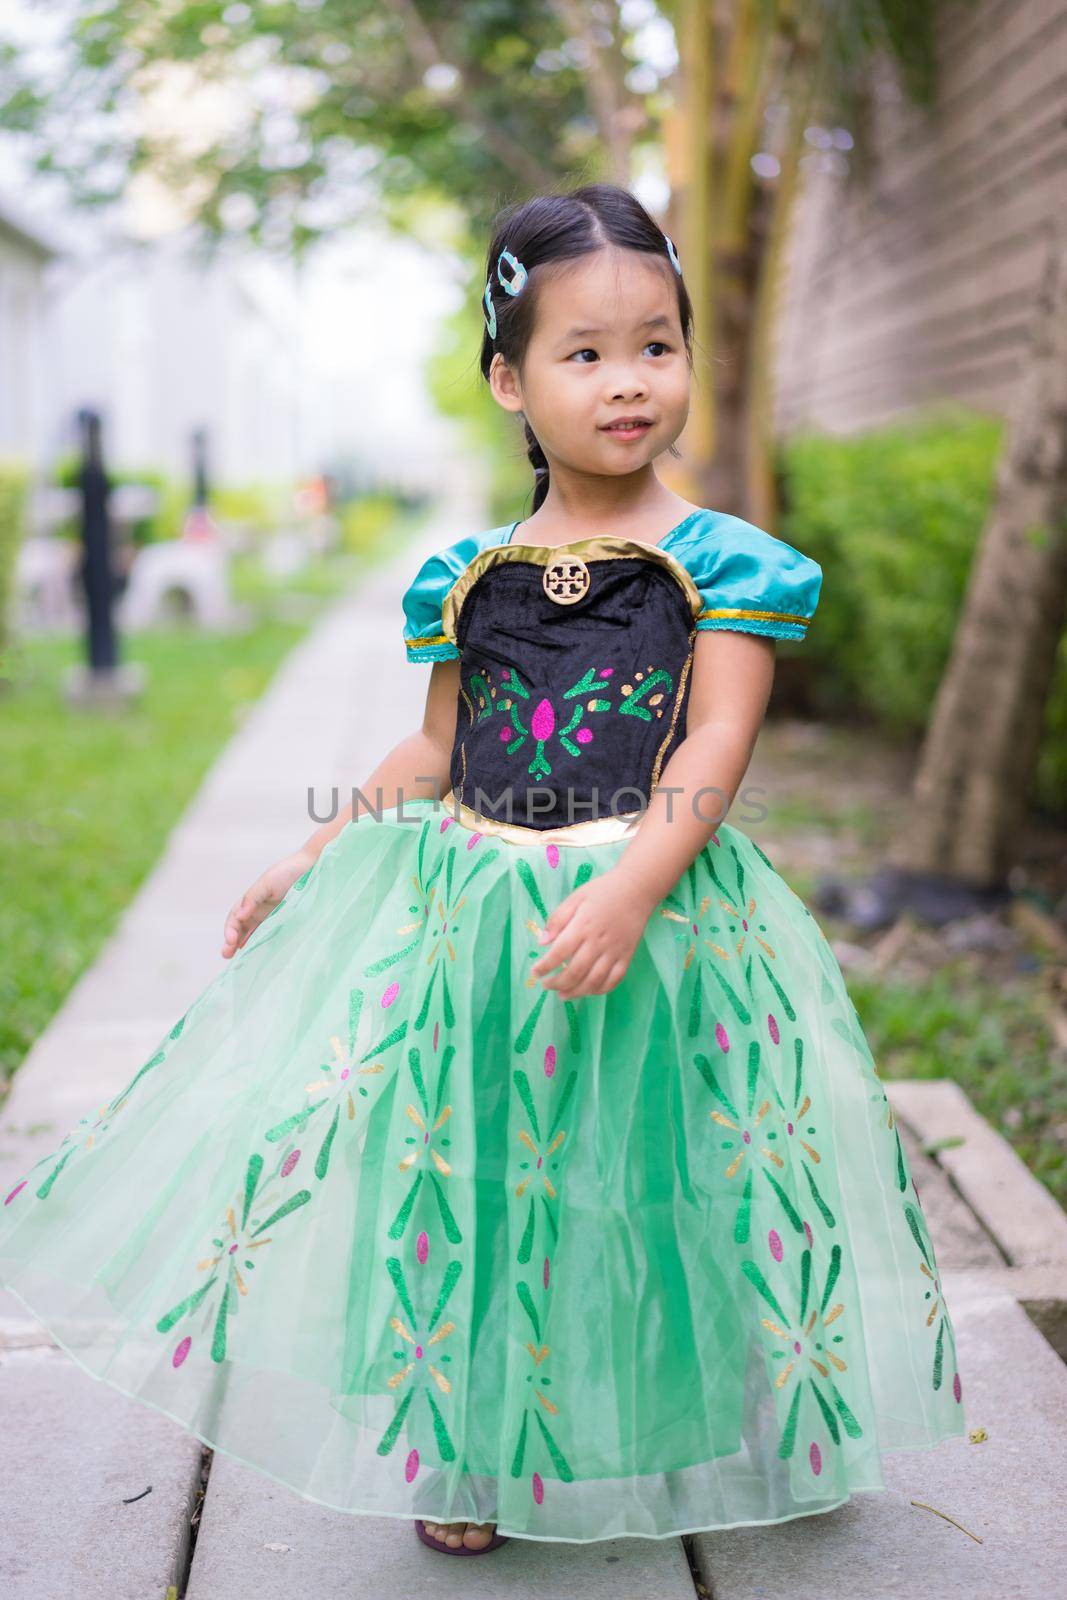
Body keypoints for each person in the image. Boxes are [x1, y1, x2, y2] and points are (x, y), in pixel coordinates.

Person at [0, 182, 965, 1560]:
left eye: (656, 345)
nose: (628, 383)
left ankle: (754, 1423)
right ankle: (468, 1444)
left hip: (656, 915)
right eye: (585, 353)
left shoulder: (717, 566)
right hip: (476, 924)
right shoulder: (468, 575)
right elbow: (433, 749)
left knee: (671, 1166)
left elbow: (718, 742)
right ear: (512, 380)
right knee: (472, 1173)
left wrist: (634, 884)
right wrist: (318, 852)